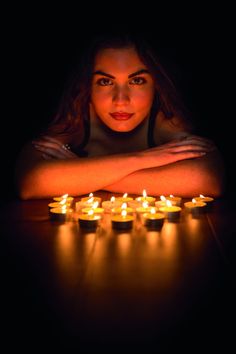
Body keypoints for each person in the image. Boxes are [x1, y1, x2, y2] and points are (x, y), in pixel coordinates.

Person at [15, 32, 225, 200]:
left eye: (137, 81)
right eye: (106, 82)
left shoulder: (164, 118)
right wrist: (143, 159)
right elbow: (30, 182)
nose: (121, 100)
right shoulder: (76, 118)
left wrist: (82, 172)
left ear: (155, 86)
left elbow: (207, 178)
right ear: (88, 87)